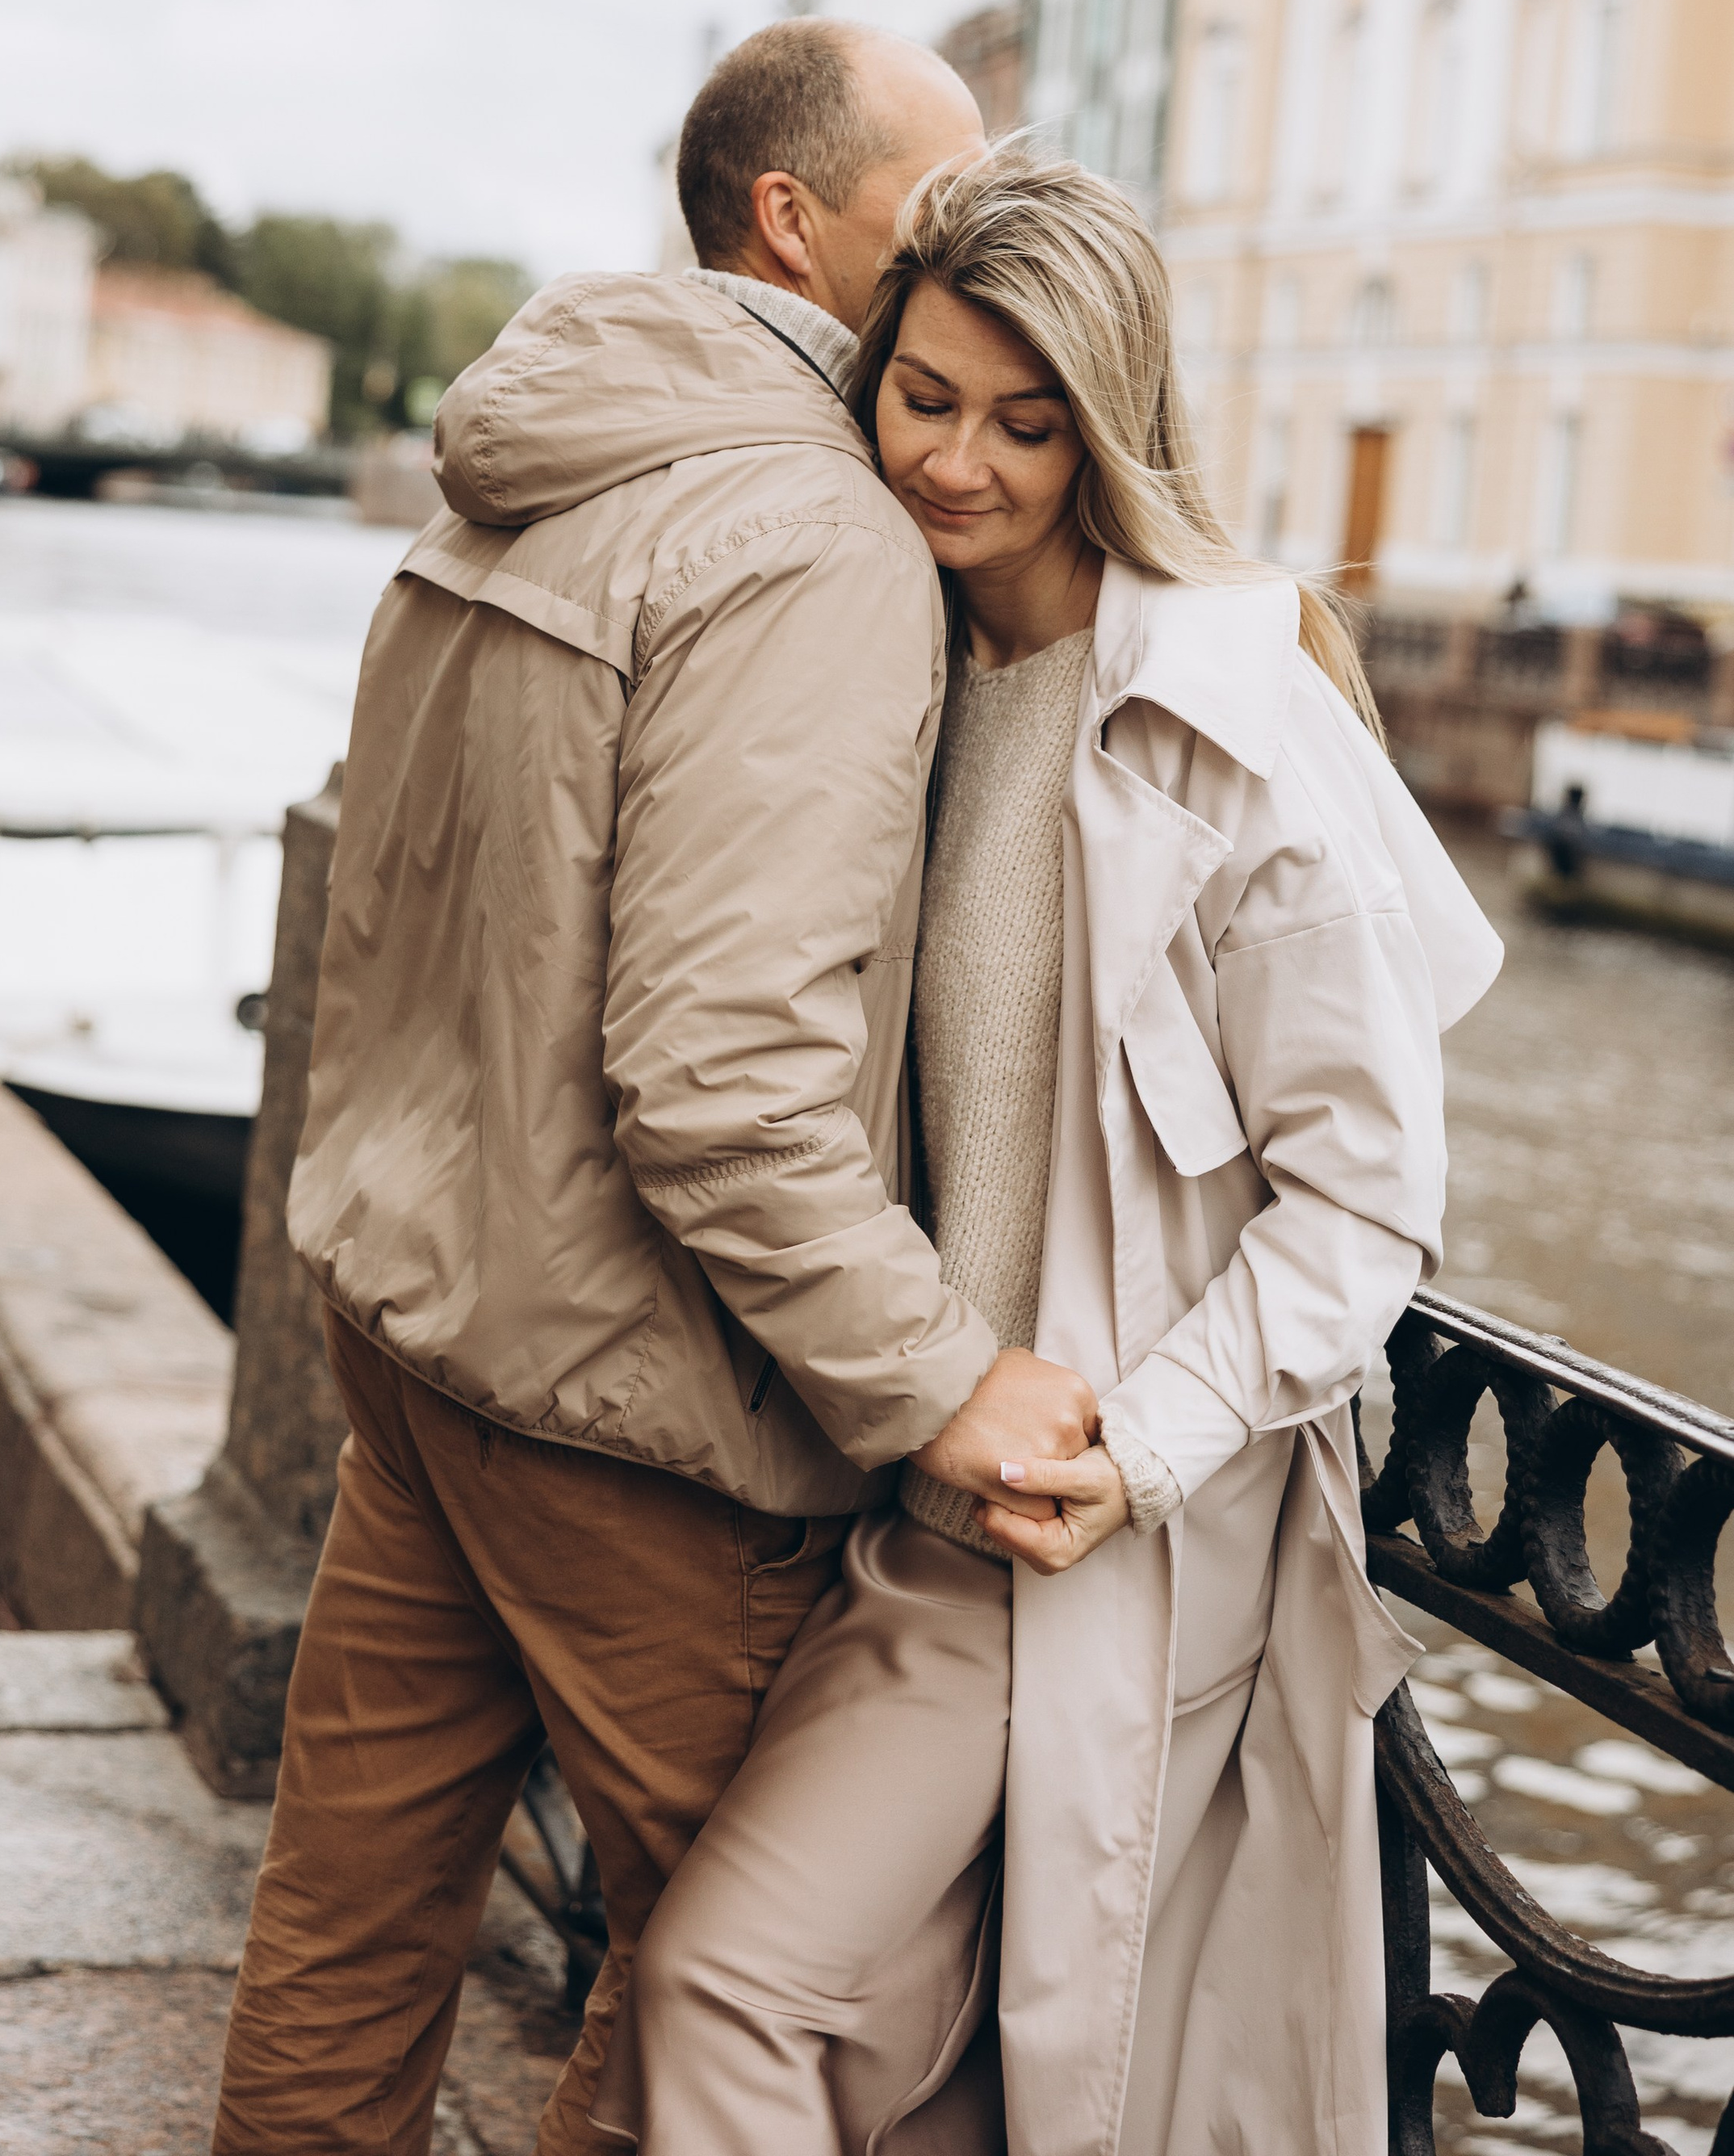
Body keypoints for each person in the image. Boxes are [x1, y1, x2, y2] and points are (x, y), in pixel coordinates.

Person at [212, 22, 1108, 2156]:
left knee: (350, 1919)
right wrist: (937, 1376)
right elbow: (720, 1079)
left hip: (423, 1314)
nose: (976, 231)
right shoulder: (813, 536)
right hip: (639, 1402)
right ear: (793, 221)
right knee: (744, 1987)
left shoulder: (537, 457)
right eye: (940, 196)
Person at [601, 145, 1502, 2156]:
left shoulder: (1222, 716)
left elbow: (1365, 1198)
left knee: (728, 1987)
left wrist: (1134, 1454)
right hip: (905, 1493)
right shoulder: (893, 660)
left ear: (1109, 432)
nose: (959, 465)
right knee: (921, 2081)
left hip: (1075, 1542)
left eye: (1027, 425)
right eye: (921, 399)